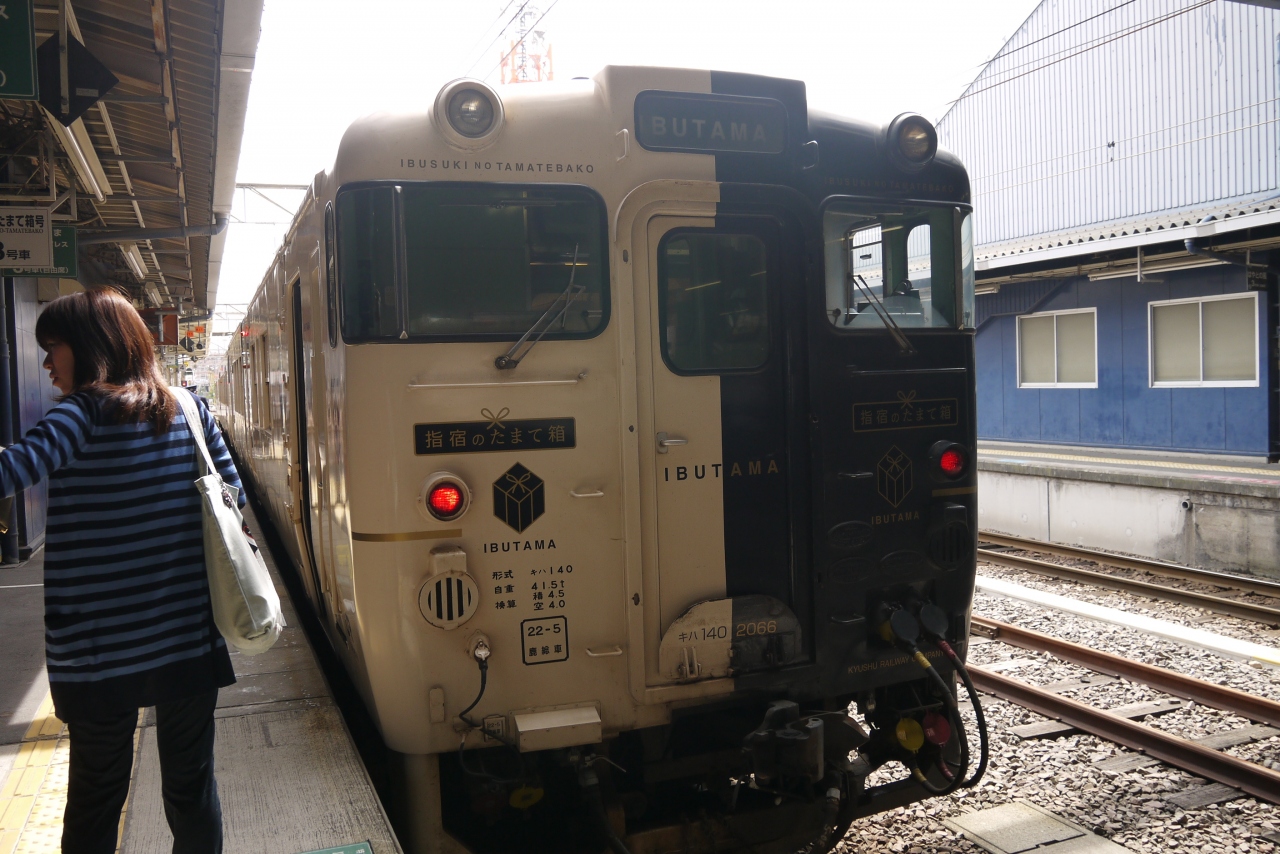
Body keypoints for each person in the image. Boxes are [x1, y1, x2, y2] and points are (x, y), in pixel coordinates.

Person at [0, 288, 242, 854]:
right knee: (192, 790)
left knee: (97, 796)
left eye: (51, 348)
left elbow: (14, 471)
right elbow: (232, 498)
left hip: (98, 653)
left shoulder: (79, 415)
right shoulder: (188, 408)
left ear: (88, 346)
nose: (45, 364)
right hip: (187, 642)